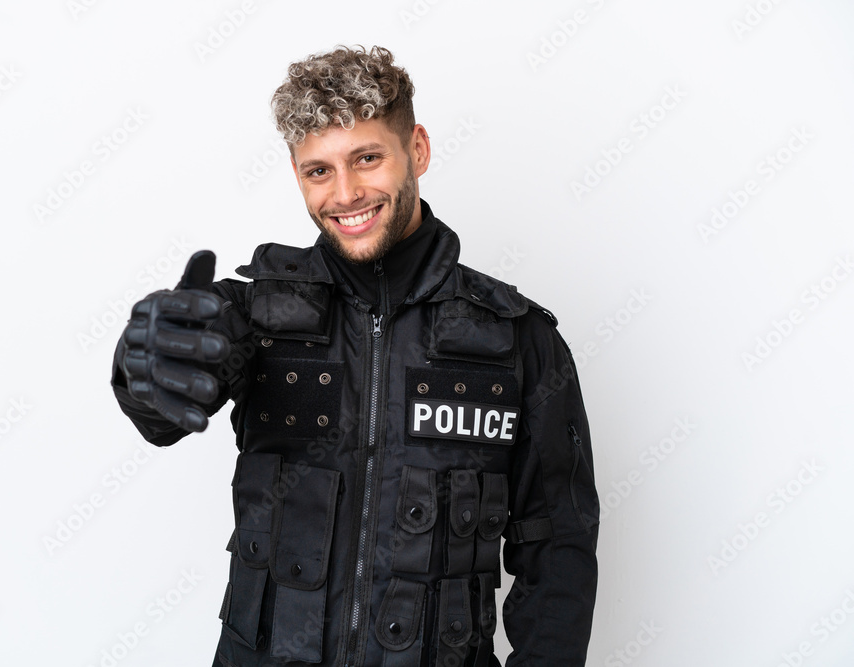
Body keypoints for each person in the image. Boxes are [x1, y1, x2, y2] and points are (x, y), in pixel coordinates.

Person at [111, 45, 599, 667]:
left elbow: (557, 544)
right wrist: (145, 368)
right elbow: (163, 411)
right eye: (319, 171)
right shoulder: (252, 317)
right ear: (296, 172)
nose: (345, 194)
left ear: (416, 150)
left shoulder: (519, 338)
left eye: (367, 158)